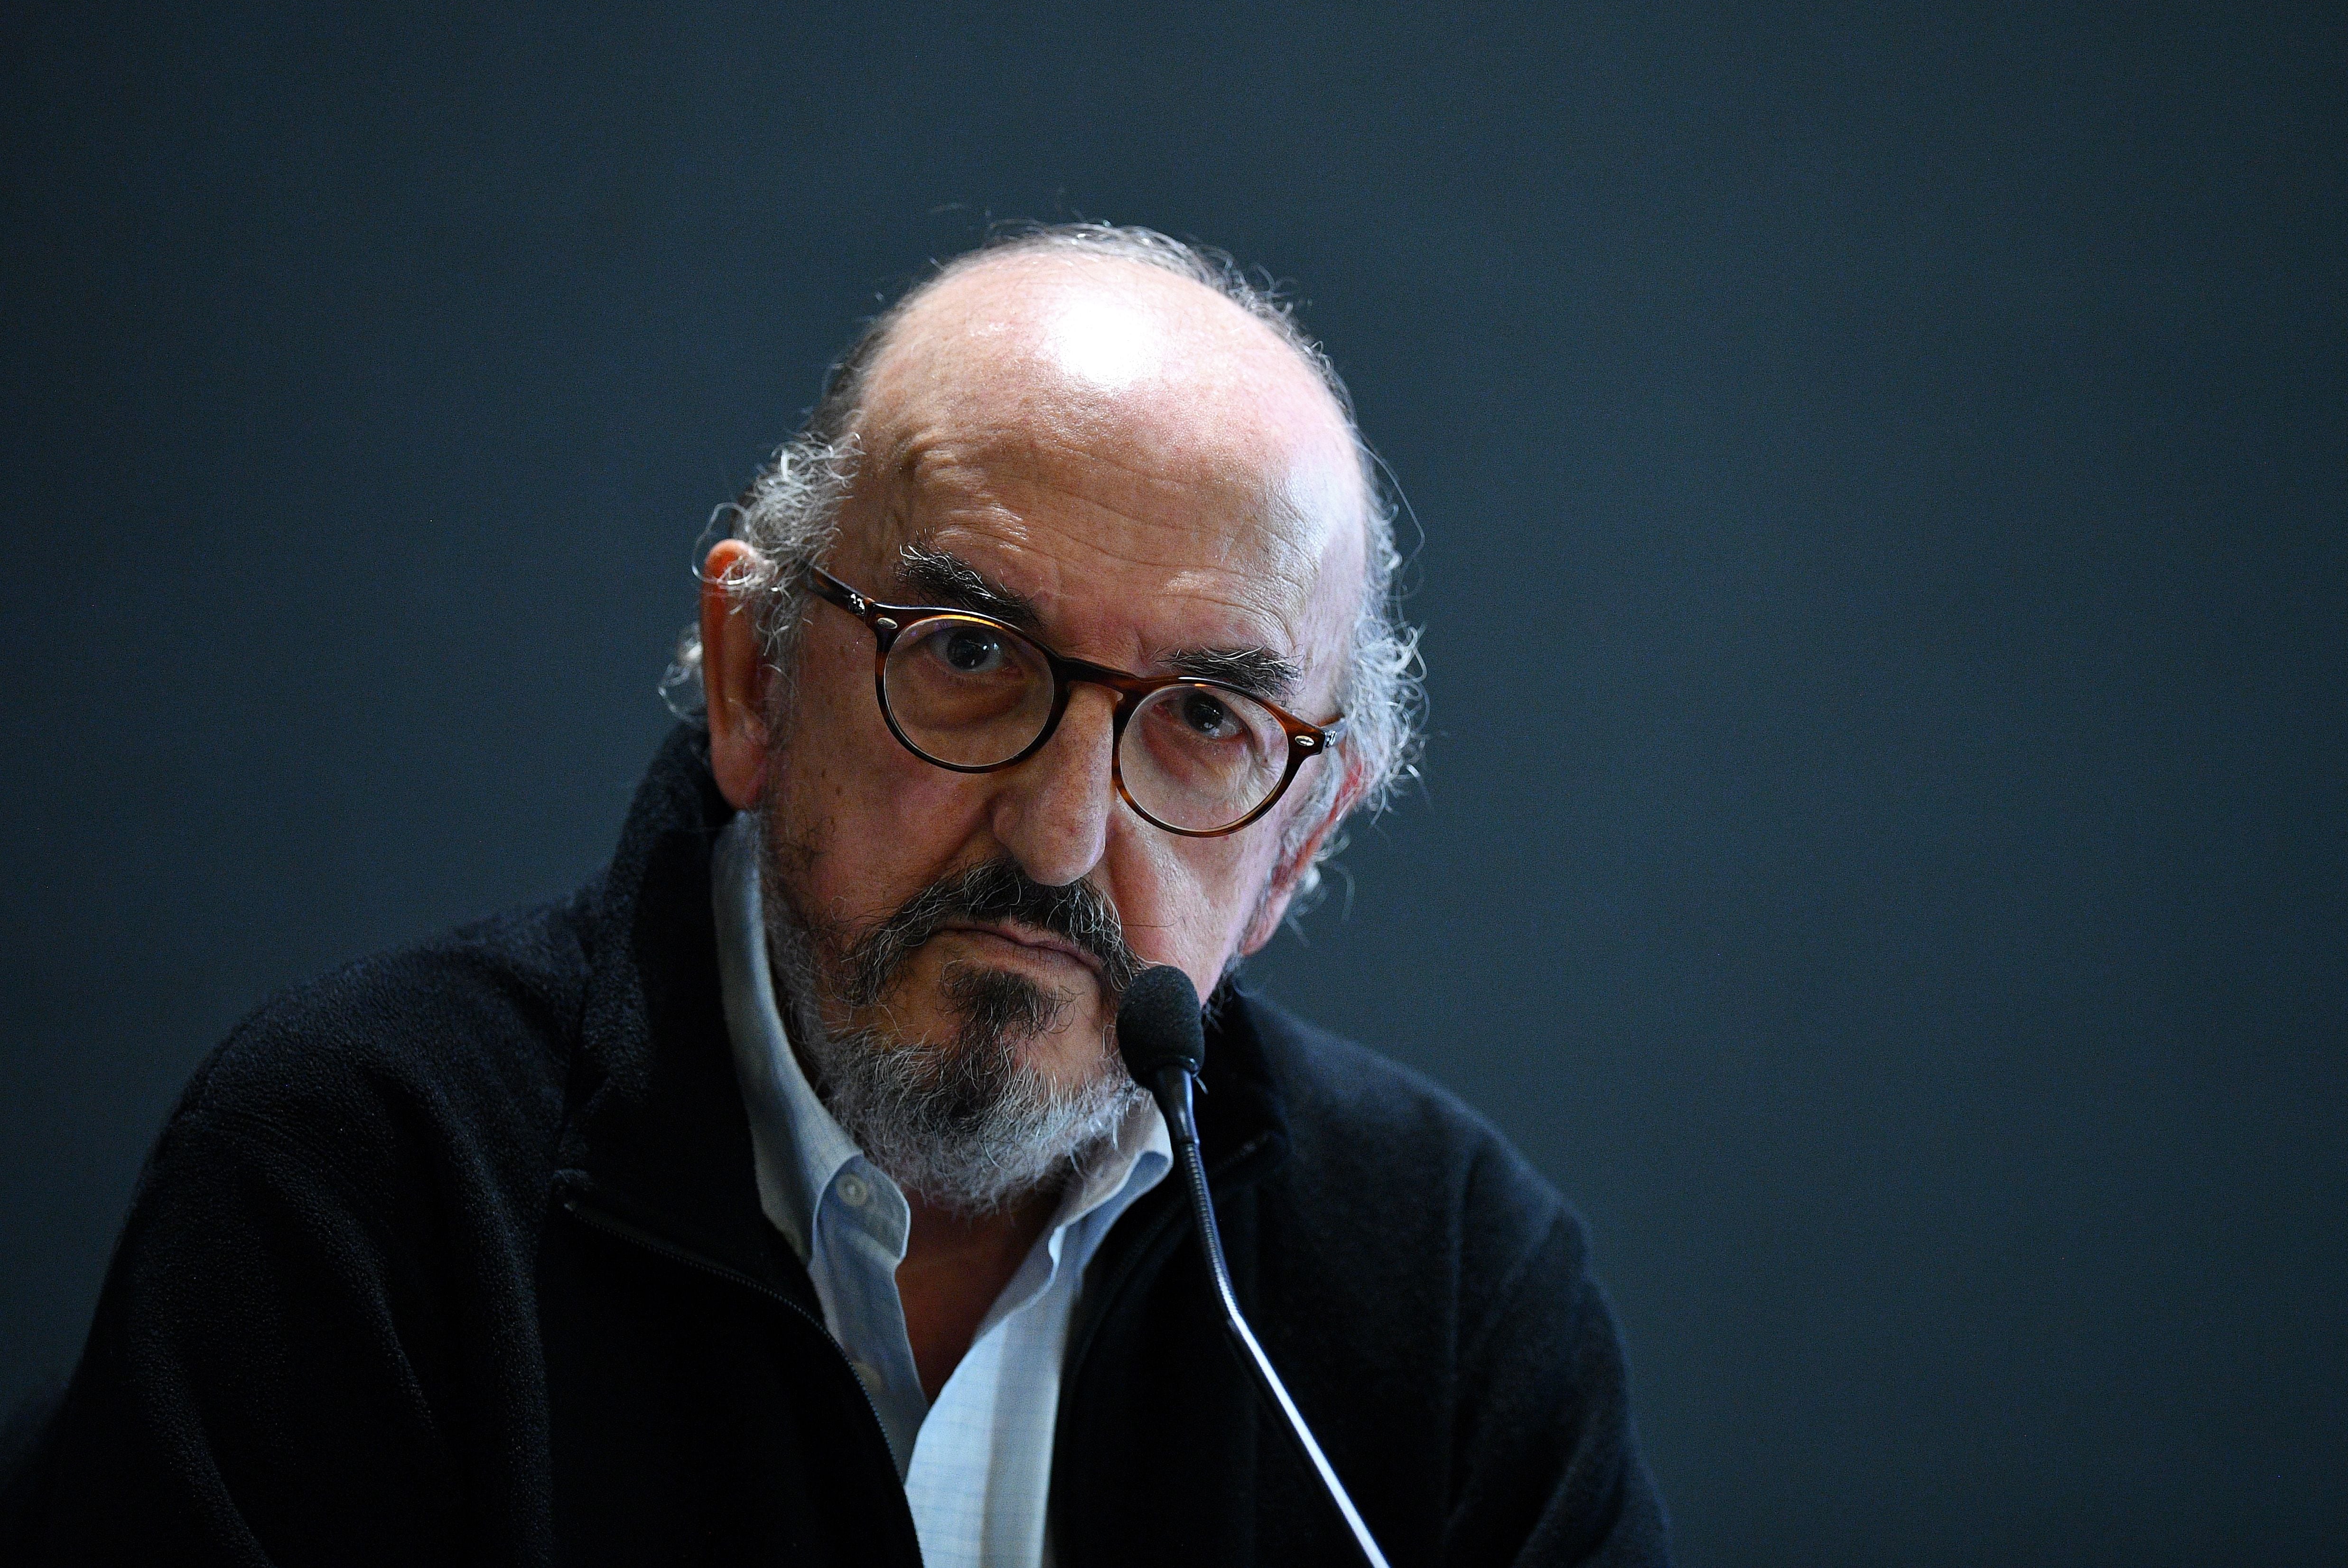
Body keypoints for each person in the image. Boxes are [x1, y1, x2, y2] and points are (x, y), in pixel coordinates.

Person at [8, 225, 1670, 1565]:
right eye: (967, 657)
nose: (1059, 835)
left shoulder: (1452, 1289)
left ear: (1296, 848)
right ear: (753, 679)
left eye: (1205, 724)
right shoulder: (358, 1185)